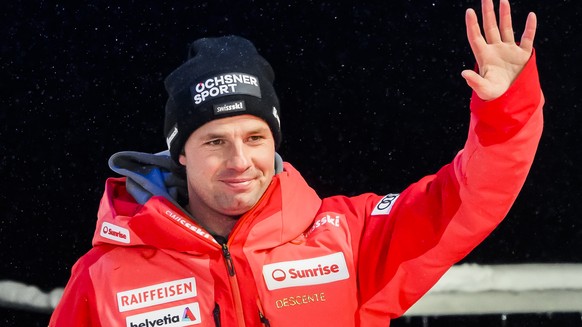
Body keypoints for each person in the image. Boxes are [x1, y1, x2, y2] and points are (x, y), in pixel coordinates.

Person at [50, 0, 543, 325]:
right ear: (180, 152)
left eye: (255, 137)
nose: (240, 160)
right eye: (215, 141)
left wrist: (505, 113)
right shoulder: (104, 275)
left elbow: (467, 200)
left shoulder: (347, 238)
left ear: (275, 141)